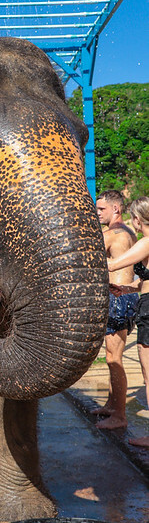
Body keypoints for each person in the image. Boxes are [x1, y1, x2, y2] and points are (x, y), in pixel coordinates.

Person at [92, 191, 138, 430]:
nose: (98, 213)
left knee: (113, 358)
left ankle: (119, 416)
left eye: (101, 209)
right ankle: (112, 404)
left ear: (116, 209)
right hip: (125, 297)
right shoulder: (130, 232)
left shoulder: (112, 234)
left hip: (118, 298)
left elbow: (88, 255)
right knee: (112, 357)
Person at [108, 196, 149, 448]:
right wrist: (126, 288)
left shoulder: (146, 242)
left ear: (137, 218)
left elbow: (114, 263)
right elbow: (145, 281)